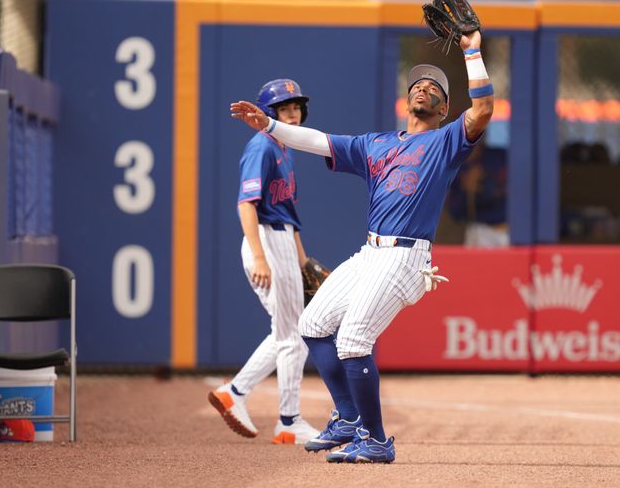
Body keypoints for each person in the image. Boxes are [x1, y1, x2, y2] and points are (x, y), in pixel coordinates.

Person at [230, 27, 493, 463]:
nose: (424, 88)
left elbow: (482, 109)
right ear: (406, 100)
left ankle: (376, 440)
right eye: (417, 85)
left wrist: (472, 51)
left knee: (353, 337)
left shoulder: (445, 142)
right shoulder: (377, 145)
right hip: (370, 252)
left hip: (406, 256)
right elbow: (319, 141)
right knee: (312, 324)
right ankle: (350, 418)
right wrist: (271, 125)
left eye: (434, 88)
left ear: (445, 108)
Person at [208, 78, 320, 445]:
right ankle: (288, 421)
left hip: (283, 240)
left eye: (296, 106)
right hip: (267, 241)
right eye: (284, 107)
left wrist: (302, 260)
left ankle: (235, 393)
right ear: (268, 113)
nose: (293, 113)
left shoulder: (284, 147)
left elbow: (290, 213)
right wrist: (260, 256)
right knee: (294, 335)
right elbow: (246, 205)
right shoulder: (262, 147)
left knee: (287, 332)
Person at [446, 141, 509, 247]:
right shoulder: (457, 166)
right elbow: (455, 212)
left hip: (512, 229)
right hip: (481, 230)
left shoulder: (499, 156)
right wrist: (465, 188)